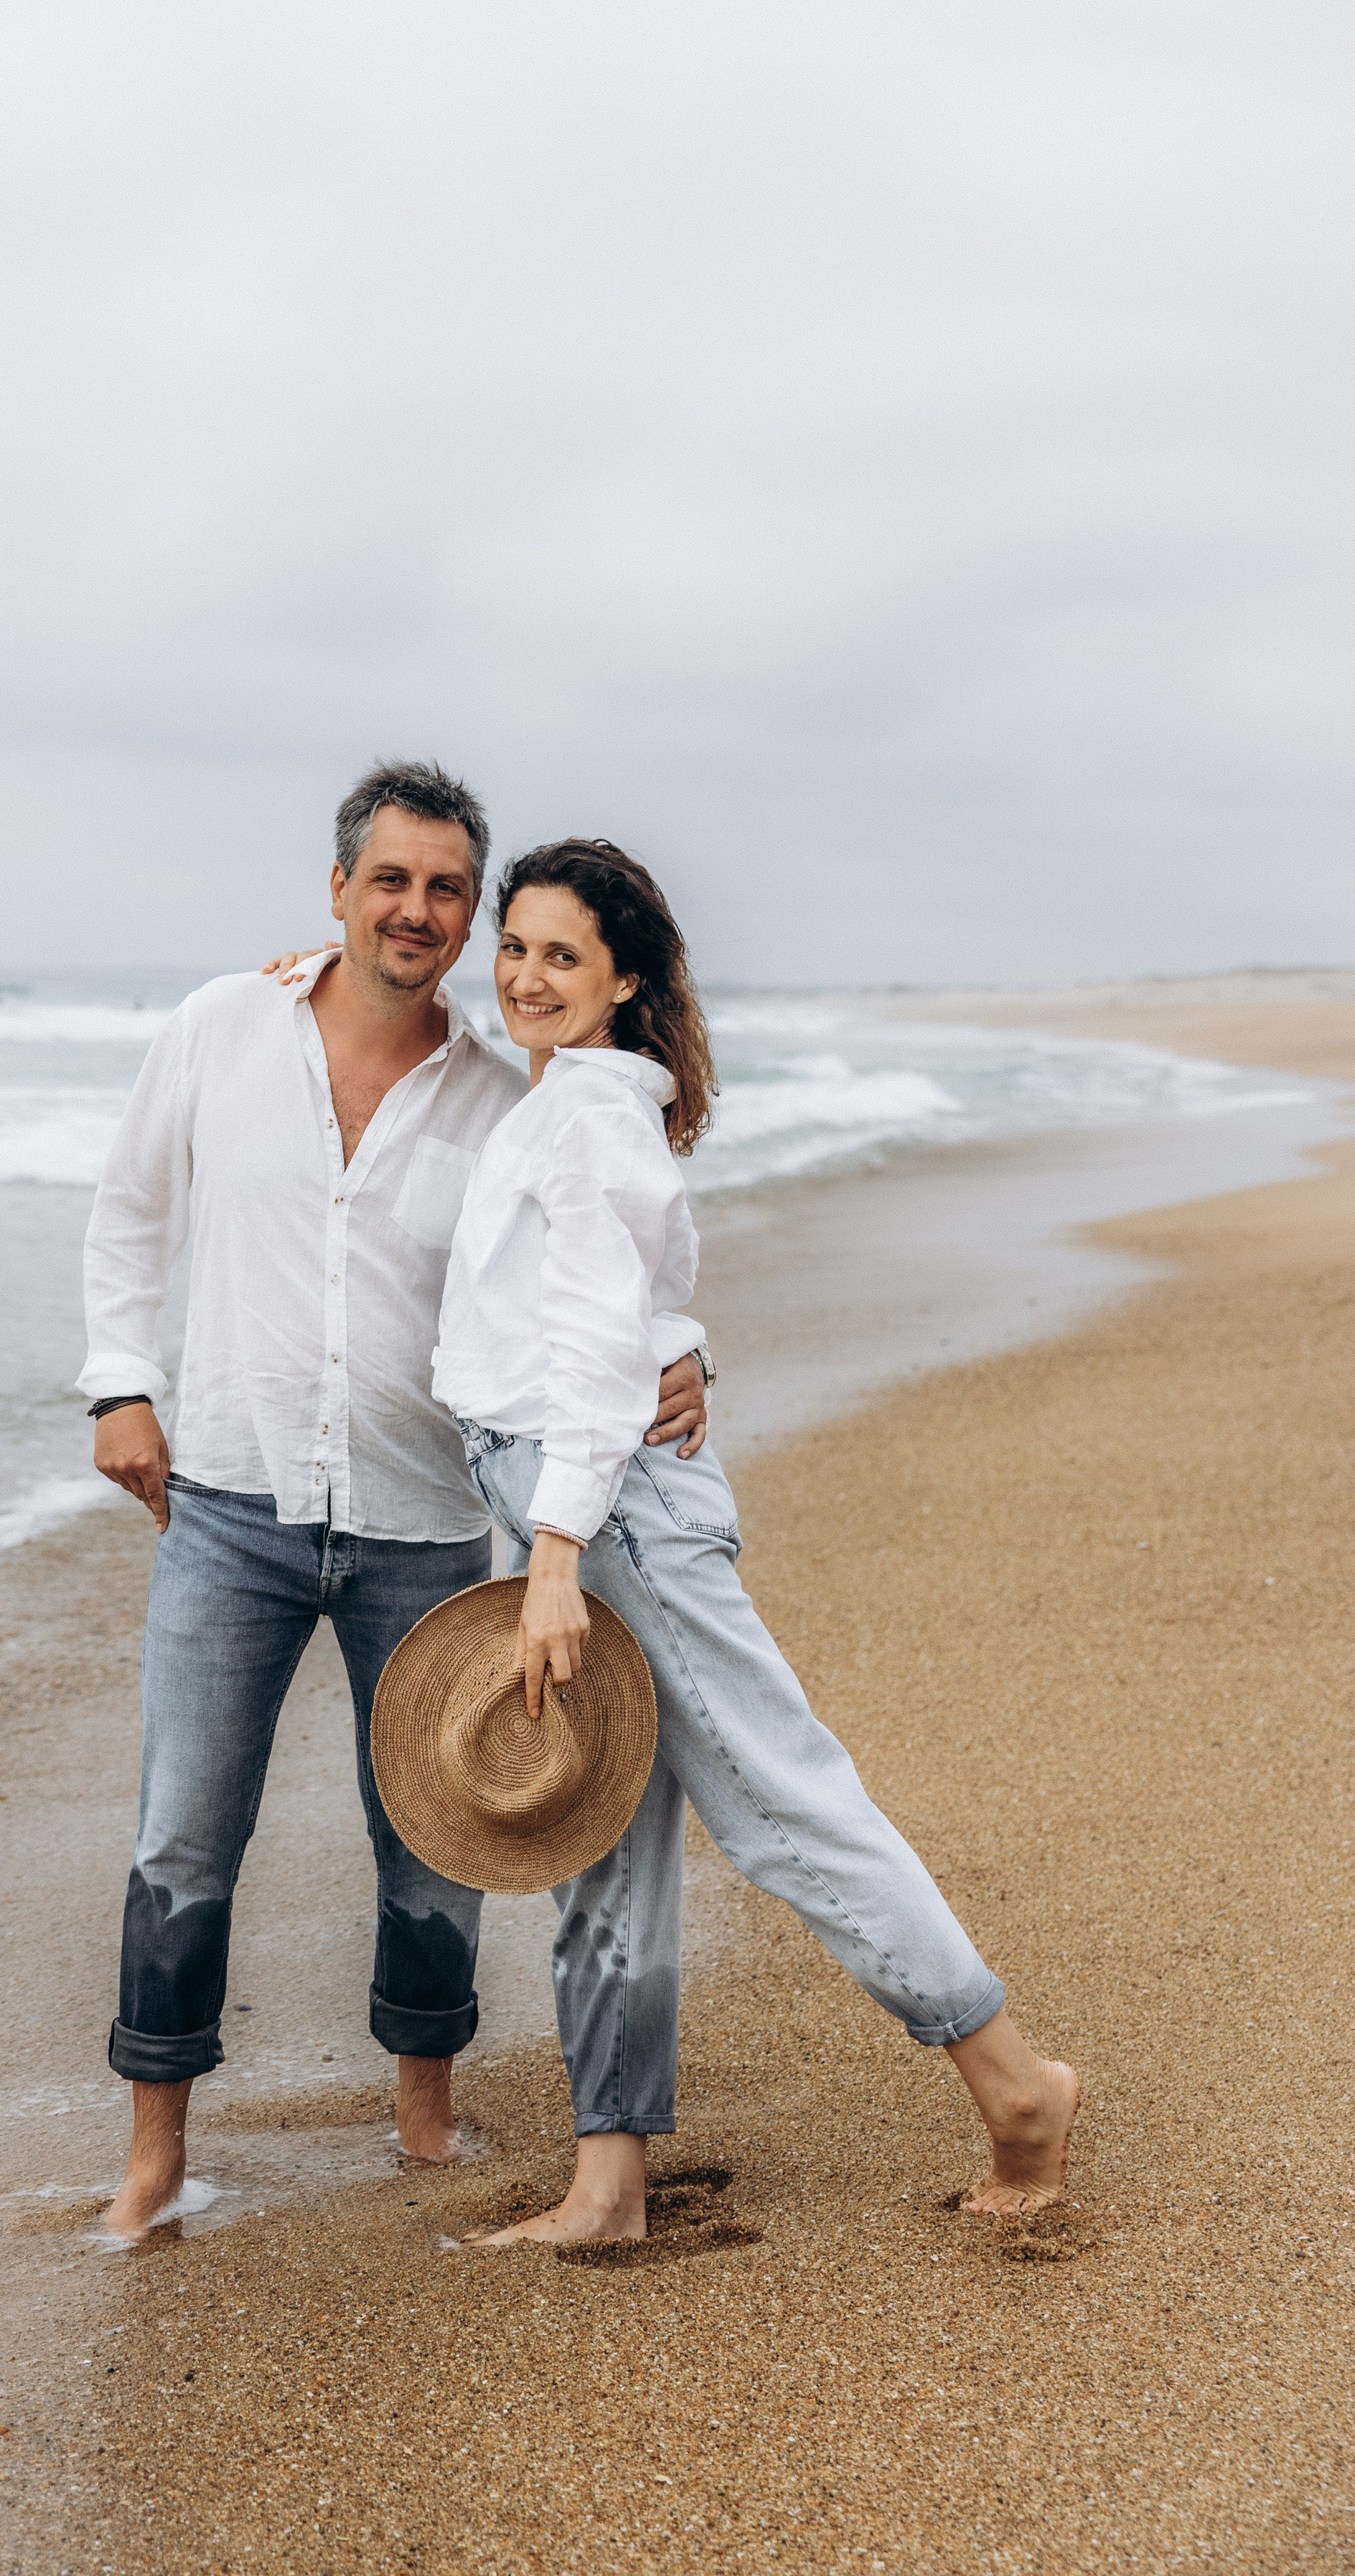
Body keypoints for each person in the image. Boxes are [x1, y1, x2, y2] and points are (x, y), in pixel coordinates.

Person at [79, 766, 709, 2243]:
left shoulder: (506, 1093)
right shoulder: (217, 1030)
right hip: (226, 1507)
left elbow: (603, 1255)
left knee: (430, 1827)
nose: (417, 912)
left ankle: (423, 2112)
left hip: (422, 1519)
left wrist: (681, 1355)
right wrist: (120, 1384)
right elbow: (128, 1210)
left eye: (446, 891)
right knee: (184, 1832)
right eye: (391, 882)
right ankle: (154, 2154)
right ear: (337, 889)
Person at [427, 837, 1081, 2244]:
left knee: (785, 1809)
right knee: (605, 1830)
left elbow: (602, 1348)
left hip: (600, 1515)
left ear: (621, 984)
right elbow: (621, 1314)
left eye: (562, 957)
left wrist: (551, 1556)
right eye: (517, 946)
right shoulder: (564, 1099)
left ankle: (1016, 2089)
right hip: (579, 1499)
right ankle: (606, 2182)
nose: (527, 978)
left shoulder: (592, 1121)